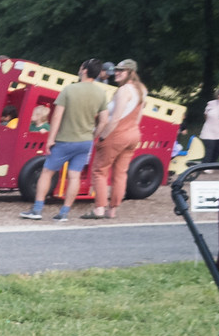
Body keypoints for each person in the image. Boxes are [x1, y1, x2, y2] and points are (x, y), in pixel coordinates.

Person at [20, 59, 109, 220]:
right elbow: (103, 120)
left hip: (64, 140)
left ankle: (37, 210)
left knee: (47, 172)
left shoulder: (69, 90)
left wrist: (50, 139)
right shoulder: (101, 93)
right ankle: (64, 213)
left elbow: (57, 116)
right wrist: (94, 136)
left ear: (85, 71)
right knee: (74, 176)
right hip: (85, 142)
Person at [86, 57, 144, 220]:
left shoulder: (124, 90)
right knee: (120, 174)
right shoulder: (140, 90)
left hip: (117, 133)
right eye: (116, 70)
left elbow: (115, 118)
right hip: (133, 133)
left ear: (130, 73)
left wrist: (102, 136)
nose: (116, 73)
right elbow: (138, 117)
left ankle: (99, 209)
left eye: (121, 70)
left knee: (99, 171)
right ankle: (112, 211)